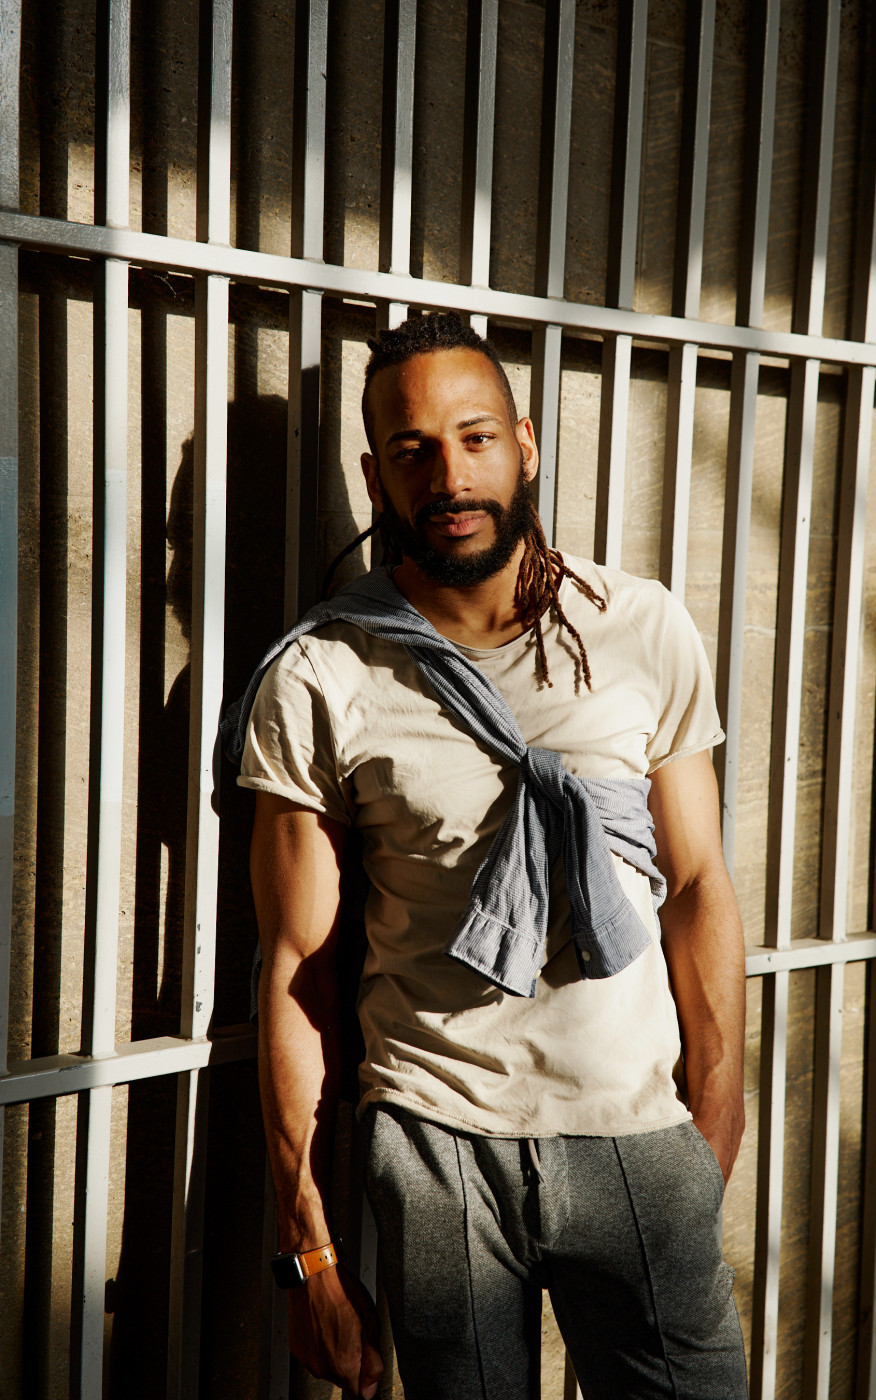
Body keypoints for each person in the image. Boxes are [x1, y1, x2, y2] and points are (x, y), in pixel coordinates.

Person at [231, 311, 748, 1399]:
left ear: (525, 445)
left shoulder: (638, 626)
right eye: (412, 449)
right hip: (438, 1143)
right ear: (375, 477)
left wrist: (713, 1123)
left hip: (638, 1133)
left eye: (474, 438)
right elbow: (296, 966)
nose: (449, 476)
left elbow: (697, 883)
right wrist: (308, 1251)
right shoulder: (322, 673)